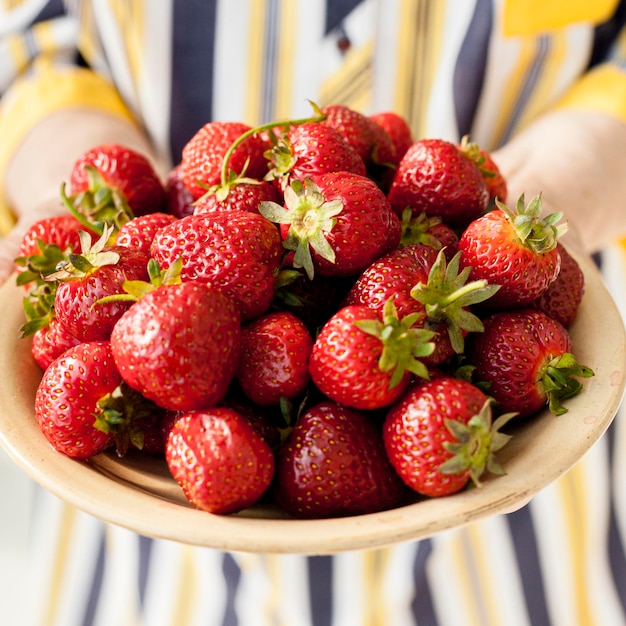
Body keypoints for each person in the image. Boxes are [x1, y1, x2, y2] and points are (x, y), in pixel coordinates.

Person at [1, 1, 626, 624]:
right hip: (153, 547)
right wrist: (73, 174)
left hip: (512, 515)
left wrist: (570, 175)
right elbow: (29, 39)